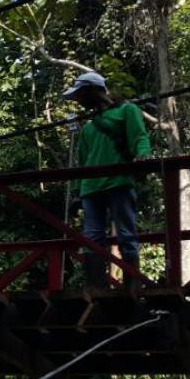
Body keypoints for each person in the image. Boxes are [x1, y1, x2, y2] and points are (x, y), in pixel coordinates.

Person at [63, 71, 152, 290]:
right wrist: (76, 192)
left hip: (118, 182)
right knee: (92, 238)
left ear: (93, 91)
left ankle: (132, 286)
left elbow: (139, 136)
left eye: (81, 95)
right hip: (90, 188)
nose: (79, 101)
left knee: (126, 234)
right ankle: (97, 287)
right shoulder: (89, 128)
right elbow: (81, 163)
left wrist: (143, 156)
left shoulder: (126, 110)